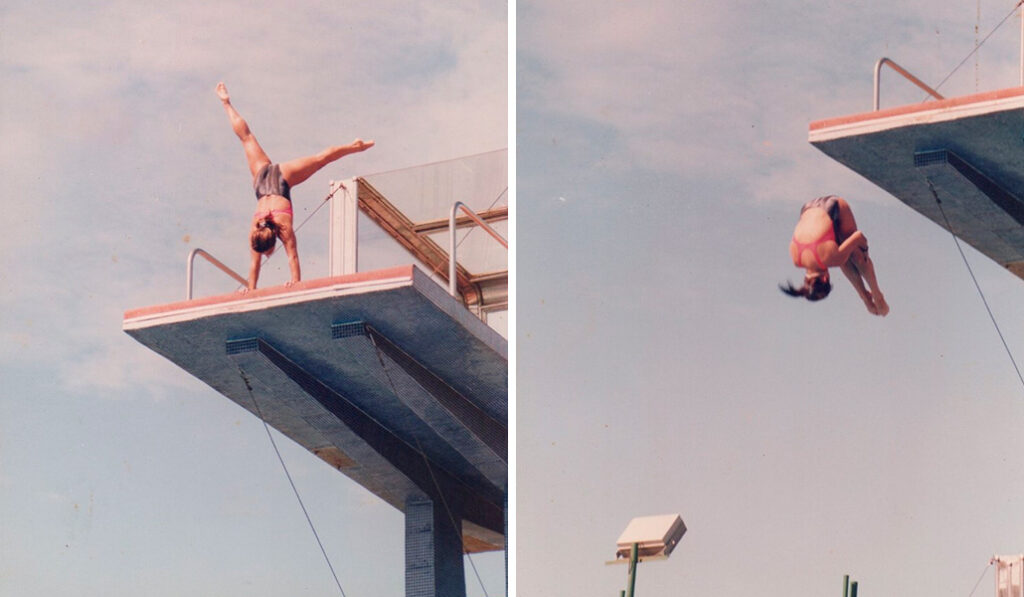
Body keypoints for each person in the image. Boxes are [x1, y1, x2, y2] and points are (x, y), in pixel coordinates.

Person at [216, 82, 374, 291]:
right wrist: (253, 289)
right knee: (247, 138)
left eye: (267, 252)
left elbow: (291, 256)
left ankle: (355, 147)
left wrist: (294, 283)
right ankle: (226, 103)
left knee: (318, 160)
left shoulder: (281, 229)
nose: (265, 255)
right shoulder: (257, 230)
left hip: (281, 180)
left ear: (272, 243)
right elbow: (260, 263)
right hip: (262, 179)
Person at [780, 195, 889, 316]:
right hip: (808, 208)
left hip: (834, 206)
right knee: (841, 255)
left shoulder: (831, 259)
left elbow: (859, 236)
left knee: (856, 257)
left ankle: (876, 295)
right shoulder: (796, 260)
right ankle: (864, 296)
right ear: (806, 279)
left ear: (825, 278)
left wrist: (864, 254)